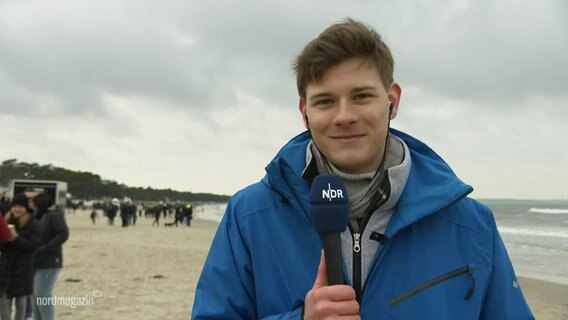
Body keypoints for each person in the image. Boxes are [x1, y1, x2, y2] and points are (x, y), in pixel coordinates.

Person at [192, 18, 534, 319]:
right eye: (325, 101)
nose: (344, 116)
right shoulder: (249, 216)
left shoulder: (471, 226)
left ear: (392, 101)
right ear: (304, 111)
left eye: (361, 96)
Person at [0, 194, 41, 320]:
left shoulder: (33, 224)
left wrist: (15, 238)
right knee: (3, 301)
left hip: (23, 268)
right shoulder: (5, 221)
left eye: (20, 207)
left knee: (21, 304)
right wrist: (5, 238)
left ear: (25, 208)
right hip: (5, 268)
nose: (16, 209)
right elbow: (2, 248)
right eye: (14, 207)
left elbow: (32, 246)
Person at [29, 193, 69, 320]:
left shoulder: (53, 216)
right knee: (34, 295)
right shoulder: (36, 216)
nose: (30, 205)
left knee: (43, 294)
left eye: (32, 202)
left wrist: (48, 247)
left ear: (38, 204)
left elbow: (63, 233)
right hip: (35, 260)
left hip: (49, 261)